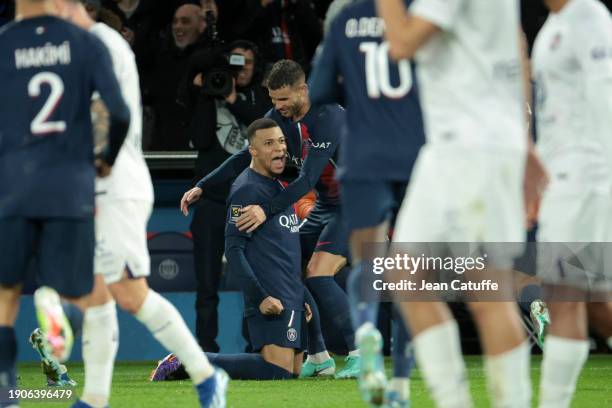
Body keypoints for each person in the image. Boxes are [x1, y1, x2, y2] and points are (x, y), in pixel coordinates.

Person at [27, 2, 229, 408]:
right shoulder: (72, 48)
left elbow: (107, 113)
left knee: (129, 293)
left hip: (114, 184)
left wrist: (91, 168)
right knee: (100, 293)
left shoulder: (102, 44)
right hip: (87, 184)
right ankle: (95, 398)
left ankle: (208, 377)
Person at [376, 0, 549, 406]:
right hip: (460, 145)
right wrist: (524, 142)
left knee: (484, 290)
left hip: (472, 147)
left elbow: (401, 43)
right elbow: (515, 48)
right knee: (406, 273)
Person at [181, 59, 359, 379]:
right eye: (273, 99)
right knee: (295, 269)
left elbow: (305, 181)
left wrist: (268, 208)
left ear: (303, 90)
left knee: (318, 275)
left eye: (283, 99)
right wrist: (203, 186)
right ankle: (319, 357)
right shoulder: (280, 117)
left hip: (357, 204)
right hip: (327, 205)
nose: (277, 107)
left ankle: (359, 354)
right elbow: (244, 156)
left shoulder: (328, 115)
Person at [0, 0, 130, 403]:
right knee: (85, 290)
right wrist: (105, 160)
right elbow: (120, 112)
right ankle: (58, 305)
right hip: (70, 185)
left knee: (5, 294)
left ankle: (6, 390)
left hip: (13, 184)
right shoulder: (85, 43)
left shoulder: (4, 43)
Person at [309, 0, 425, 405]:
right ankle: (401, 385)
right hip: (416, 155)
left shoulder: (343, 17)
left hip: (362, 157)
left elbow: (320, 89)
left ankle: (365, 332)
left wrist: (356, 90)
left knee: (367, 258)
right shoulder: (421, 13)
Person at [531, 0, 612, 406]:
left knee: (563, 294)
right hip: (563, 182)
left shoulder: (588, 15)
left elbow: (606, 92)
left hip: (589, 177)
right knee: (595, 303)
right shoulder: (550, 29)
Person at [186, 39, 271, 352]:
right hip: (211, 202)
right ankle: (206, 348)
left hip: (247, 204)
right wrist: (206, 95)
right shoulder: (209, 95)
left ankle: (256, 345)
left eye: (247, 62)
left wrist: (234, 99)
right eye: (236, 63)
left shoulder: (261, 97)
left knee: (253, 280)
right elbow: (200, 137)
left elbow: (265, 132)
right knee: (206, 283)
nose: (242, 69)